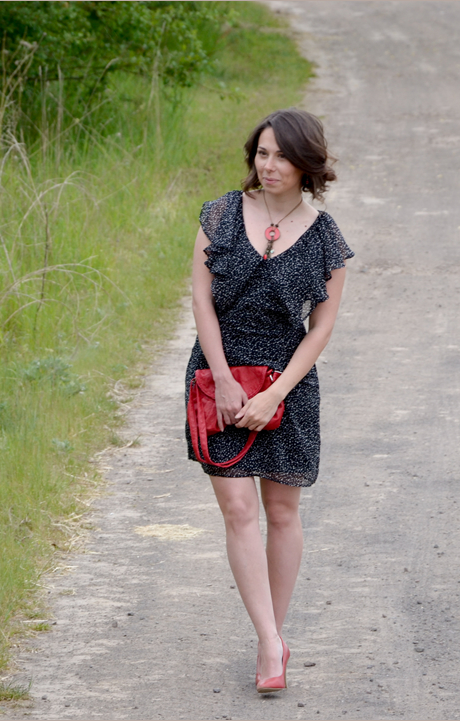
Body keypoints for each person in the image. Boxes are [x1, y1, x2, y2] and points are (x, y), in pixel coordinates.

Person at [185, 108, 353, 693]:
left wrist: (275, 391)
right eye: (262, 152)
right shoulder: (221, 214)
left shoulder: (327, 238)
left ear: (307, 163)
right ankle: (267, 641)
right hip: (218, 380)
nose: (269, 164)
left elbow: (321, 328)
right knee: (238, 510)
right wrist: (226, 378)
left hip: (288, 385)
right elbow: (202, 301)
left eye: (282, 154)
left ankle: (273, 636)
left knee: (282, 513)